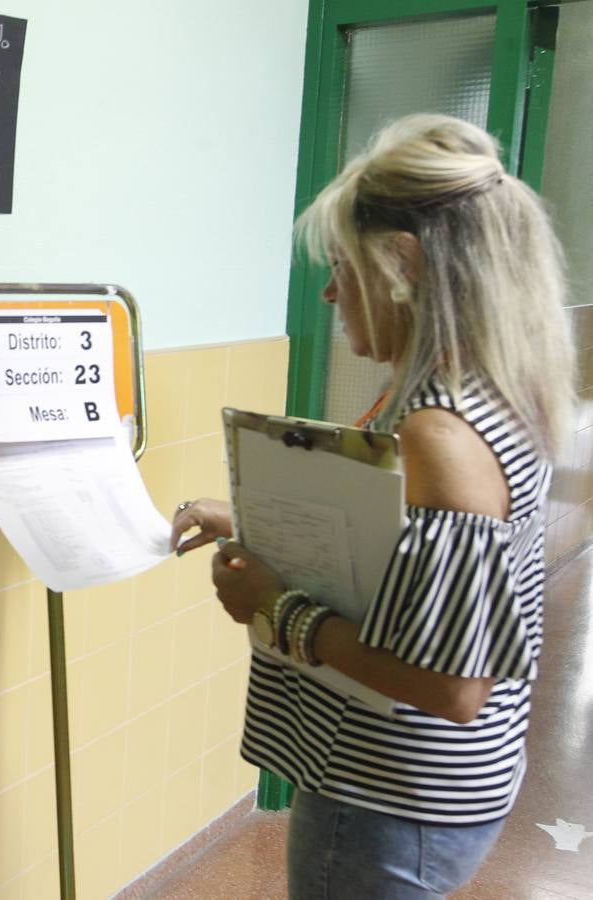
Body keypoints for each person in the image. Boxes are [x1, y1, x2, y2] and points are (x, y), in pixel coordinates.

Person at [169, 114, 574, 898]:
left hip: (392, 797)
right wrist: (254, 520)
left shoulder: (441, 430)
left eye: (341, 269)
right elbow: (414, 569)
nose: (328, 292)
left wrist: (276, 607)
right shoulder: (500, 386)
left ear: (402, 263)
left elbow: (453, 686)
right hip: (456, 785)